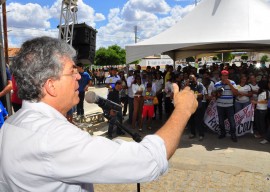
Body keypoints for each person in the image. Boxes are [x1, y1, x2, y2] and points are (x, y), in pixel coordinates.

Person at [0, 36, 198, 192]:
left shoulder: (10, 125)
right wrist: (183, 109)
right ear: (51, 85)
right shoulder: (53, 137)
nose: (79, 76)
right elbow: (148, 161)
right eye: (72, 71)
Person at [213, 70, 238, 142]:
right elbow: (213, 94)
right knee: (221, 121)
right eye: (223, 75)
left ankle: (233, 134)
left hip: (229, 105)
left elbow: (236, 93)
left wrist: (229, 84)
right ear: (221, 76)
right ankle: (222, 133)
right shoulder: (217, 84)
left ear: (228, 76)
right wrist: (216, 94)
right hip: (220, 105)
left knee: (232, 121)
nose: (225, 77)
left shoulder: (232, 82)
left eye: (226, 75)